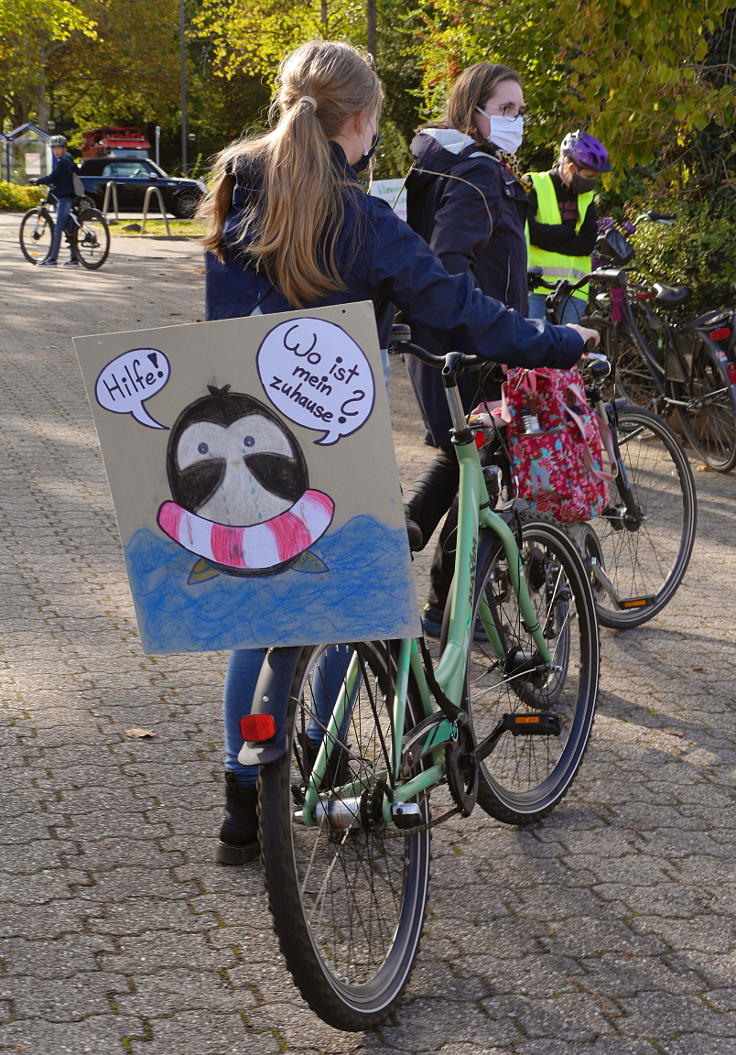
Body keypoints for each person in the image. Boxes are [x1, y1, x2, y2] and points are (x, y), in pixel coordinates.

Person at [198, 39, 599, 865]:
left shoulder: (239, 192)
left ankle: (246, 802)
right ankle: (323, 752)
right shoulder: (362, 219)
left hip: (245, 440)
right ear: (364, 122)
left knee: (260, 615)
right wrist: (555, 339)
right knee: (354, 605)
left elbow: (232, 318)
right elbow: (459, 308)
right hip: (335, 442)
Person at [402, 61, 530, 637]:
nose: (515, 121)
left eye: (520, 112)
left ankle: (440, 601)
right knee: (478, 469)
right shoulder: (477, 173)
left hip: (448, 347)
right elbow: (449, 260)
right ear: (472, 109)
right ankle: (445, 602)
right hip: (471, 351)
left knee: (466, 467)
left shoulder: (450, 165)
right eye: (504, 109)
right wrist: (494, 324)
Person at [524, 130, 612, 323]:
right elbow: (530, 233)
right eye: (589, 176)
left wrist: (546, 236)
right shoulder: (533, 184)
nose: (592, 182)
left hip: (575, 288)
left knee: (569, 349)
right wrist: (568, 233)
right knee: (533, 348)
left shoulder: (586, 196)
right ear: (571, 168)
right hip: (535, 286)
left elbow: (586, 244)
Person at [29, 135, 81, 267]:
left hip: (65, 197)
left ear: (64, 148)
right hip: (69, 195)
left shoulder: (63, 161)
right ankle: (74, 258)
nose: (56, 151)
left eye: (59, 148)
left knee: (58, 229)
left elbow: (54, 176)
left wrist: (38, 180)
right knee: (69, 227)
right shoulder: (68, 158)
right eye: (54, 148)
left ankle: (52, 259)